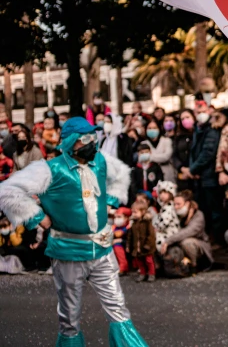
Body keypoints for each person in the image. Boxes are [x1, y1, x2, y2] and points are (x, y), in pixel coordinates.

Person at [0, 117, 147, 346]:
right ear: (69, 142)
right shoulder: (50, 169)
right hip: (68, 252)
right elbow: (8, 191)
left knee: (118, 308)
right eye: (84, 139)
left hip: (102, 249)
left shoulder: (99, 161)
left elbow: (121, 173)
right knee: (69, 316)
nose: (92, 142)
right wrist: (38, 217)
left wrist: (109, 200)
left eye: (92, 137)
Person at [189, 101, 221, 236]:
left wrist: (192, 170)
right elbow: (193, 151)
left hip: (210, 177)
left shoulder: (212, 129)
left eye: (203, 111)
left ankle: (217, 239)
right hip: (201, 178)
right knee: (205, 210)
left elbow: (208, 153)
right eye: (198, 112)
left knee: (215, 211)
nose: (201, 115)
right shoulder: (198, 129)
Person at [161, 189, 213, 271]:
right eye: (174, 204)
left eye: (178, 204)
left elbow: (188, 231)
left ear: (187, 203)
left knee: (187, 242)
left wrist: (168, 241)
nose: (175, 207)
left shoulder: (198, 215)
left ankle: (194, 266)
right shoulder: (174, 214)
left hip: (198, 245)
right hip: (177, 243)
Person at [127, 201, 156, 283]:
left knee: (149, 261)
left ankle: (151, 274)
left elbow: (151, 235)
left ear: (142, 212)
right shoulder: (133, 223)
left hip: (146, 247)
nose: (133, 214)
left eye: (135, 212)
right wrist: (128, 246)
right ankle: (142, 273)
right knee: (140, 262)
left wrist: (148, 245)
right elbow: (130, 236)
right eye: (132, 212)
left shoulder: (147, 222)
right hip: (137, 247)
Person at [152, 181, 179, 254]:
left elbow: (164, 222)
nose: (162, 195)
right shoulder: (164, 206)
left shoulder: (169, 207)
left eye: (165, 192)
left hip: (169, 233)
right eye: (160, 193)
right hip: (164, 232)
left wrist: (156, 228)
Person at [171, 110, 194, 192]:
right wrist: (182, 168)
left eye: (187, 117)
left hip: (196, 174)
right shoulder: (179, 137)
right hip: (182, 175)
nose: (185, 120)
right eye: (182, 119)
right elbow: (174, 156)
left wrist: (192, 169)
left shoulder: (198, 134)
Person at [111, 207, 131, 275]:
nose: (117, 219)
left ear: (126, 218)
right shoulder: (114, 227)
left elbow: (131, 240)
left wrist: (121, 240)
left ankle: (123, 266)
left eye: (119, 217)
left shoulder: (129, 228)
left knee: (117, 246)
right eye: (116, 217)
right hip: (113, 244)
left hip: (125, 245)